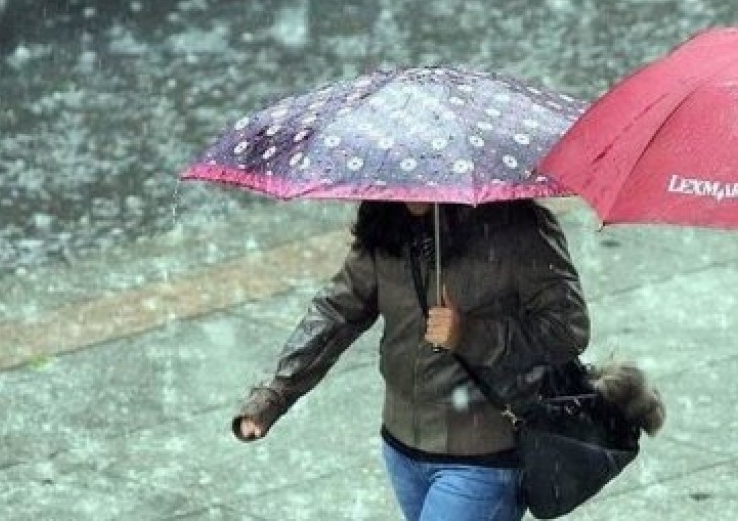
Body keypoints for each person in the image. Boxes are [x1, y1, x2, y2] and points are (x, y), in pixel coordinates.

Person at [232, 199, 591, 521]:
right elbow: (336, 313)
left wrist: (471, 335)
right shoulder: (385, 223)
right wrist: (273, 394)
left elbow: (568, 329)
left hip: (483, 455)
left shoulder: (519, 228)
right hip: (401, 447)